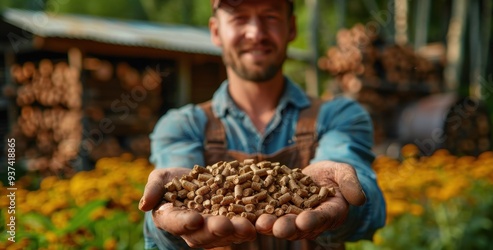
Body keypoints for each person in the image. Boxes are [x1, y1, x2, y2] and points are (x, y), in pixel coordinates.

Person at [138, 0, 386, 249]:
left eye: (270, 17)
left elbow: (369, 206)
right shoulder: (182, 125)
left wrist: (343, 206)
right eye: (239, 18)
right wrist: (168, 221)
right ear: (215, 31)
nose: (256, 33)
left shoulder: (340, 115)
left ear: (291, 27)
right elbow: (163, 219)